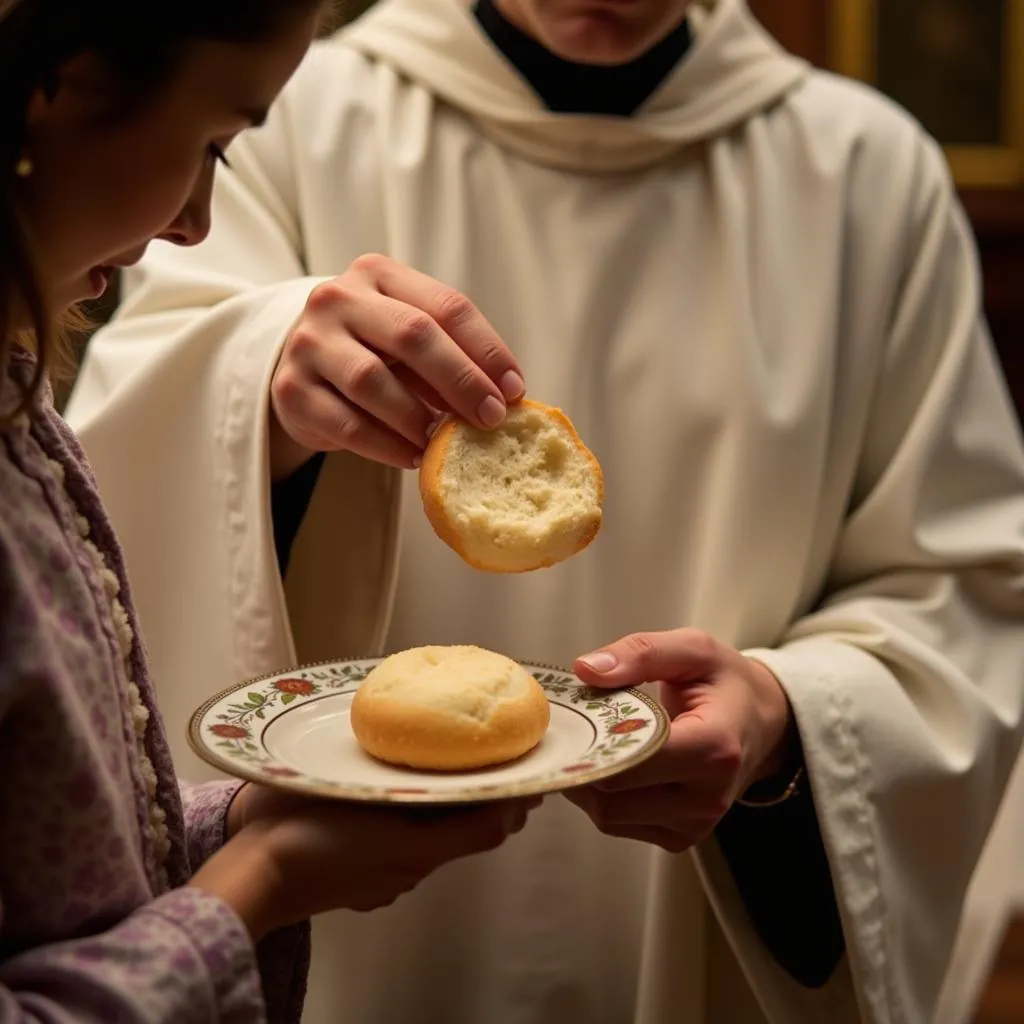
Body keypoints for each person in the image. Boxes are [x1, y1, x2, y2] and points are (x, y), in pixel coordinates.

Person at [66, 0, 1024, 1022]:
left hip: (689, 914)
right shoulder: (286, 113)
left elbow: (957, 586)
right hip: (364, 948)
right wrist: (262, 388)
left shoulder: (868, 176)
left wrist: (787, 720)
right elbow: (110, 494)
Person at [0, 1, 539, 1021]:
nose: (194, 226)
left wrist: (248, 817)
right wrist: (266, 880)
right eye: (211, 143)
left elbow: (58, 857)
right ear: (55, 79)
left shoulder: (21, 418)